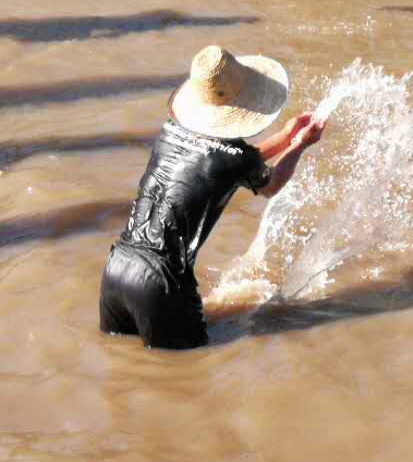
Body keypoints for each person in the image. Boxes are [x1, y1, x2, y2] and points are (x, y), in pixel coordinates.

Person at [99, 45, 326, 349]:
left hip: (117, 268)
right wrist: (299, 146)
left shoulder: (170, 131)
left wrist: (286, 137)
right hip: (162, 282)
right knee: (187, 380)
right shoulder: (237, 159)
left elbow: (224, 162)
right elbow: (269, 184)